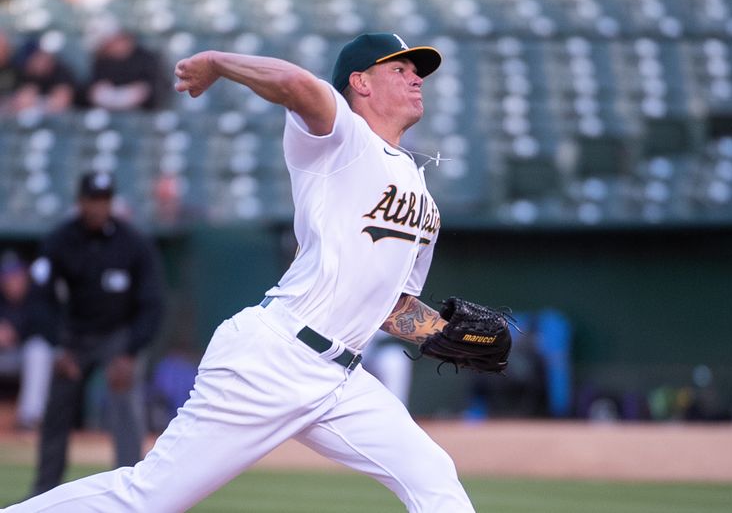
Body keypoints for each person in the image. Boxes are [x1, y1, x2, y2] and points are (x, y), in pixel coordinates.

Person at [5, 32, 475, 512]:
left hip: (343, 380)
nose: (416, 77)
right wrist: (217, 62)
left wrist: (448, 334)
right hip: (275, 357)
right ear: (361, 83)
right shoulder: (343, 140)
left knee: (432, 474)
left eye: (418, 71)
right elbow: (294, 83)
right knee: (148, 497)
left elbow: (392, 307)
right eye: (400, 69)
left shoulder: (424, 203)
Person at [25, 171, 165, 496]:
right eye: (92, 200)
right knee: (57, 409)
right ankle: (44, 490)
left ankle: (132, 492)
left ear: (111, 203)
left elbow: (153, 303)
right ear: (80, 202)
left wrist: (131, 352)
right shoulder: (60, 240)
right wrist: (55, 345)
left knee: (125, 408)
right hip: (74, 337)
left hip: (119, 336)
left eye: (104, 201)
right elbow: (39, 296)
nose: (97, 208)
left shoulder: (133, 243)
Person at [0, 249, 54, 431]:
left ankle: (29, 419)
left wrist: (16, 334)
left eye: (17, 275)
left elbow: (46, 331)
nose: (13, 281)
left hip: (23, 356)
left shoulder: (36, 299)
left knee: (38, 350)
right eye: (8, 277)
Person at [85, 25, 165, 110]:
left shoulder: (146, 59)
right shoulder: (102, 61)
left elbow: (152, 90)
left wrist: (128, 96)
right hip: (107, 114)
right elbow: (94, 91)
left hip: (144, 114)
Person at [10, 36, 78, 116]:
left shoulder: (62, 72)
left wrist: (38, 103)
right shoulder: (27, 73)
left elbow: (61, 101)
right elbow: (19, 101)